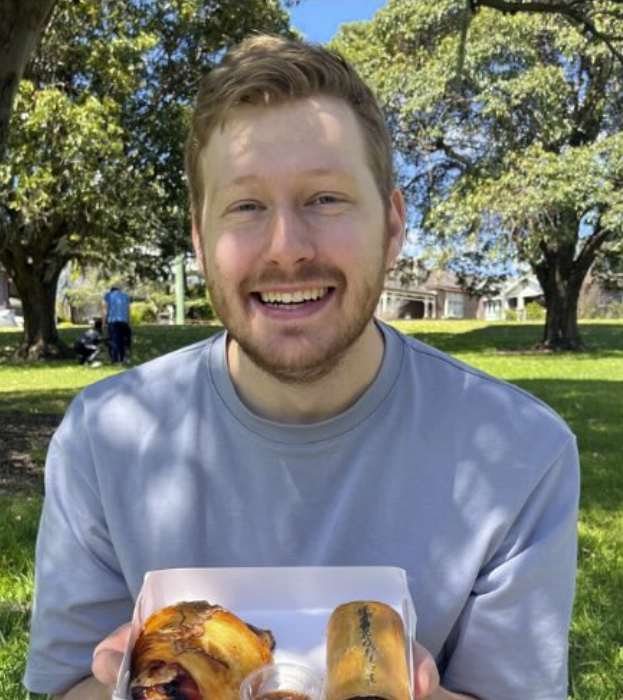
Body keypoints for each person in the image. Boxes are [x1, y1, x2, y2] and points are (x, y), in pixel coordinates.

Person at [24, 35, 579, 700]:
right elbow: (68, 687)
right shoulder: (101, 439)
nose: (286, 248)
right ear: (200, 242)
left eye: (324, 198)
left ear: (392, 224)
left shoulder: (522, 454)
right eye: (246, 206)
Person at [103, 285, 131, 364]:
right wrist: (129, 322)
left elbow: (105, 310)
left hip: (113, 320)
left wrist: (103, 323)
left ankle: (115, 360)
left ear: (111, 290)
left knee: (114, 340)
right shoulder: (125, 295)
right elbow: (128, 310)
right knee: (122, 340)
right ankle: (122, 358)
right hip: (124, 321)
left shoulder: (108, 295)